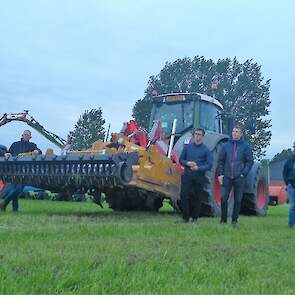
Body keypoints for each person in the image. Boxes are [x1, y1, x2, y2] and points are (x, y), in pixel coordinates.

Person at [217, 126, 253, 226]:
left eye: (237, 132)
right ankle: (223, 220)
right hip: (227, 176)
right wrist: (220, 174)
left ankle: (234, 221)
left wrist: (243, 174)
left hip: (239, 177)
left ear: (241, 134)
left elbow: (250, 161)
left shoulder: (246, 147)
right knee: (223, 198)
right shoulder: (226, 146)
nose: (235, 133)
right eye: (233, 131)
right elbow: (220, 161)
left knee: (238, 200)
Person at [0, 130, 42, 211]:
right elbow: (9, 153)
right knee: (14, 189)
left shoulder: (32, 145)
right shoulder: (15, 144)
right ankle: (14, 209)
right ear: (22, 135)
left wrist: (37, 151)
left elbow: (39, 152)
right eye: (25, 135)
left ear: (30, 137)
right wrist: (7, 154)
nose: (26, 136)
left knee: (18, 189)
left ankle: (4, 203)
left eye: (28, 135)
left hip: (25, 170)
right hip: (14, 170)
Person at [179, 128, 213, 223]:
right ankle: (185, 217)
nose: (197, 136)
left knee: (197, 197)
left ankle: (195, 218)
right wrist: (188, 163)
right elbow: (181, 160)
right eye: (196, 134)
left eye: (199, 134)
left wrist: (198, 168)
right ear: (193, 135)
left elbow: (209, 164)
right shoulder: (187, 148)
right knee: (184, 195)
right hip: (188, 175)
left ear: (202, 136)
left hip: (199, 176)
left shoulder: (206, 150)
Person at [282, 142, 295, 228]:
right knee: (293, 205)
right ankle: (290, 224)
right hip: (291, 186)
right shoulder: (289, 161)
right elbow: (284, 173)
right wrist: (288, 183)